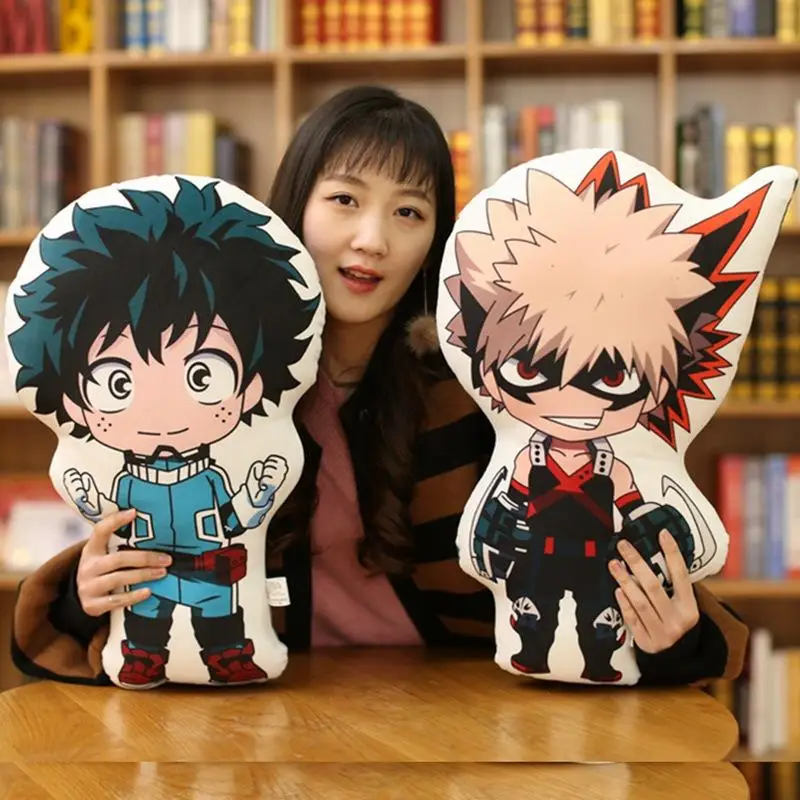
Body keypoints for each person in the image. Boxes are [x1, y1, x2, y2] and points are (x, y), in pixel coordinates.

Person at [10, 85, 747, 689]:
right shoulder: (203, 396)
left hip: (460, 722)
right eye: (344, 200)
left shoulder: (486, 393)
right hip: (258, 716)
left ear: (436, 242)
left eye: (409, 212)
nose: (372, 239)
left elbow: (626, 579)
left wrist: (673, 637)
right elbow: (86, 619)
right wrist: (84, 597)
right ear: (292, 208)